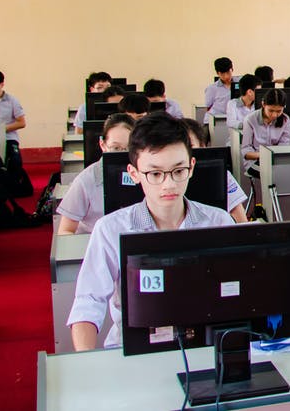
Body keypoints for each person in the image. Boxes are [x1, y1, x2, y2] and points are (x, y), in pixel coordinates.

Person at [67, 112, 234, 351]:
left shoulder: (218, 222)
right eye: (155, 174)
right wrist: (86, 361)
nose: (169, 184)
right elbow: (88, 302)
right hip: (131, 352)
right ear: (134, 173)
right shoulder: (111, 229)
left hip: (203, 348)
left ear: (192, 166)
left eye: (178, 171)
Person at [56, 113, 136, 235]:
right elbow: (65, 230)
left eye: (129, 148)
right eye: (116, 148)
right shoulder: (86, 180)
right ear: (103, 145)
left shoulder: (146, 175)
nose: (123, 154)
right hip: (95, 246)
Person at [182, 118, 249, 223]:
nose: (185, 153)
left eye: (190, 146)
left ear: (202, 146)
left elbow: (241, 220)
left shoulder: (221, 175)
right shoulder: (169, 180)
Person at [240, 88, 290, 173]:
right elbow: (246, 151)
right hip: (255, 161)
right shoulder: (250, 119)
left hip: (276, 161)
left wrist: (275, 156)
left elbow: (284, 144)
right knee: (272, 174)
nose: (275, 115)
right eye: (271, 110)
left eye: (279, 111)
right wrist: (266, 156)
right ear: (263, 104)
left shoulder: (285, 119)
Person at [226, 74, 260, 143]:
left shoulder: (259, 105)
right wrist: (248, 125)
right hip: (237, 141)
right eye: (258, 91)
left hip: (255, 142)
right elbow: (231, 122)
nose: (260, 93)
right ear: (249, 92)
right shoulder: (232, 104)